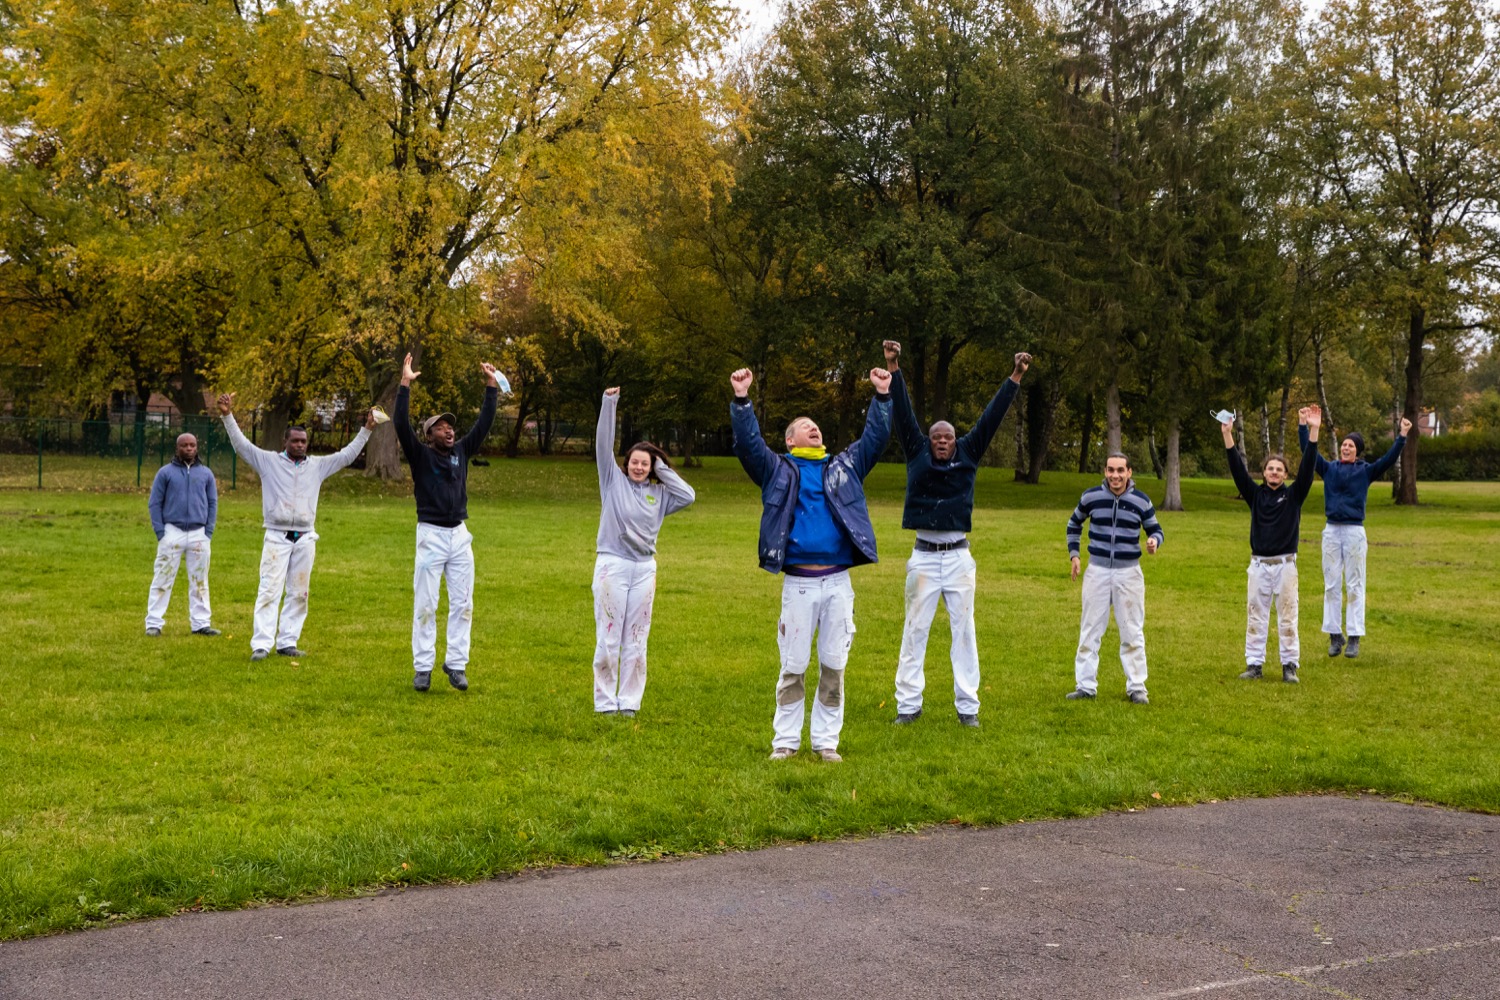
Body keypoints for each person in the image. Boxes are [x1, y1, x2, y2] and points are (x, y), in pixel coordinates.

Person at [730, 362, 892, 762]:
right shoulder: (777, 470)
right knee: (794, 666)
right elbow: (750, 445)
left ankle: (826, 743)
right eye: (805, 425)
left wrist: (883, 396)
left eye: (816, 424)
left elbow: (875, 438)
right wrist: (741, 400)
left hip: (838, 584)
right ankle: (784, 741)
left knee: (834, 666)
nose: (813, 427)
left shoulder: (843, 466)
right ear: (789, 440)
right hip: (799, 585)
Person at [882, 340, 1031, 727]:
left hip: (959, 557)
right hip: (925, 557)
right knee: (915, 630)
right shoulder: (916, 452)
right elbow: (903, 413)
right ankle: (908, 706)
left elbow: (992, 417)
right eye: (937, 438)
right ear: (929, 442)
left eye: (948, 437)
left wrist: (1015, 376)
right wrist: (894, 365)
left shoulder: (969, 452)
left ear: (956, 439)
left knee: (964, 632)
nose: (944, 442)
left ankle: (968, 708)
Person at [218, 394, 377, 661]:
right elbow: (242, 446)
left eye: (303, 441)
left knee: (299, 592)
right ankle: (261, 644)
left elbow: (347, 456)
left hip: (305, 537)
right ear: (285, 442)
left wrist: (367, 429)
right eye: (295, 441)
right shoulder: (268, 462)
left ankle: (287, 642)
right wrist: (227, 416)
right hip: (277, 536)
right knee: (269, 590)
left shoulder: (317, 466)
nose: (300, 445)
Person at [394, 353, 500, 692]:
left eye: (451, 425)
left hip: (459, 536)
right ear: (429, 435)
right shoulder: (420, 455)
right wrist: (405, 383)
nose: (449, 429)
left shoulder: (461, 451)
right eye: (441, 427)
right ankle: (422, 667)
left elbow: (483, 423)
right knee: (426, 603)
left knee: (464, 602)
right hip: (431, 535)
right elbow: (400, 424)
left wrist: (491, 386)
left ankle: (456, 664)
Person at [591, 387, 697, 718]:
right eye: (635, 462)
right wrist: (609, 404)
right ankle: (606, 702)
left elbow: (689, 495)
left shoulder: (659, 494)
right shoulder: (612, 481)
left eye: (644, 463)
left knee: (637, 638)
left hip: (644, 569)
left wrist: (661, 467)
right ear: (626, 464)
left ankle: (630, 703)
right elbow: (602, 444)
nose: (638, 467)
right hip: (613, 565)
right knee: (609, 635)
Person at [1222, 406, 1320, 683]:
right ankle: (1254, 665)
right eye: (1270, 469)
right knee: (1256, 615)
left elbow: (1308, 468)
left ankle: (1289, 666)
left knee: (1288, 616)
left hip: (1285, 565)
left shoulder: (1294, 496)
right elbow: (1237, 470)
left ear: (1286, 475)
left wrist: (1313, 431)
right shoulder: (1255, 495)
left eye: (1279, 470)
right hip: (1259, 566)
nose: (1274, 473)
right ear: (1264, 473)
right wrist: (1228, 435)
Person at [1300, 414, 1411, 659]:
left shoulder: (1365, 471)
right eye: (1343, 445)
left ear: (1357, 451)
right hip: (1331, 530)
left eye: (1350, 445)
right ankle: (1334, 635)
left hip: (1353, 532)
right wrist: (1302, 427)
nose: (1345, 447)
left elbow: (1388, 460)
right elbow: (1309, 454)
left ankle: (1354, 637)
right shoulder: (1329, 468)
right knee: (1330, 584)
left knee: (1354, 584)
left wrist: (1402, 435)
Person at [1064, 453, 1164, 704]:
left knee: (1132, 630)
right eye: (1110, 470)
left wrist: (1154, 542)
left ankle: (1137, 687)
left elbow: (1155, 529)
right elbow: (1074, 524)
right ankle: (1085, 686)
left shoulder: (1141, 501)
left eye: (1120, 470)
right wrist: (1074, 555)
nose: (1115, 476)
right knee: (1090, 629)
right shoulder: (1091, 497)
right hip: (1096, 571)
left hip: (1128, 573)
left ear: (1130, 472)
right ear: (1105, 471)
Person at [145, 433, 220, 637]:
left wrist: (208, 531)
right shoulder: (165, 473)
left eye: (193, 445)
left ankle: (201, 624)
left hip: (199, 534)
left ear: (197, 447)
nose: (189, 449)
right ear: (177, 448)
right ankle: (154, 623)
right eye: (184, 445)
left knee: (200, 581)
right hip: (172, 532)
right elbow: (154, 503)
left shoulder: (205, 473)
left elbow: (212, 502)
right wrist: (161, 532)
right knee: (163, 578)